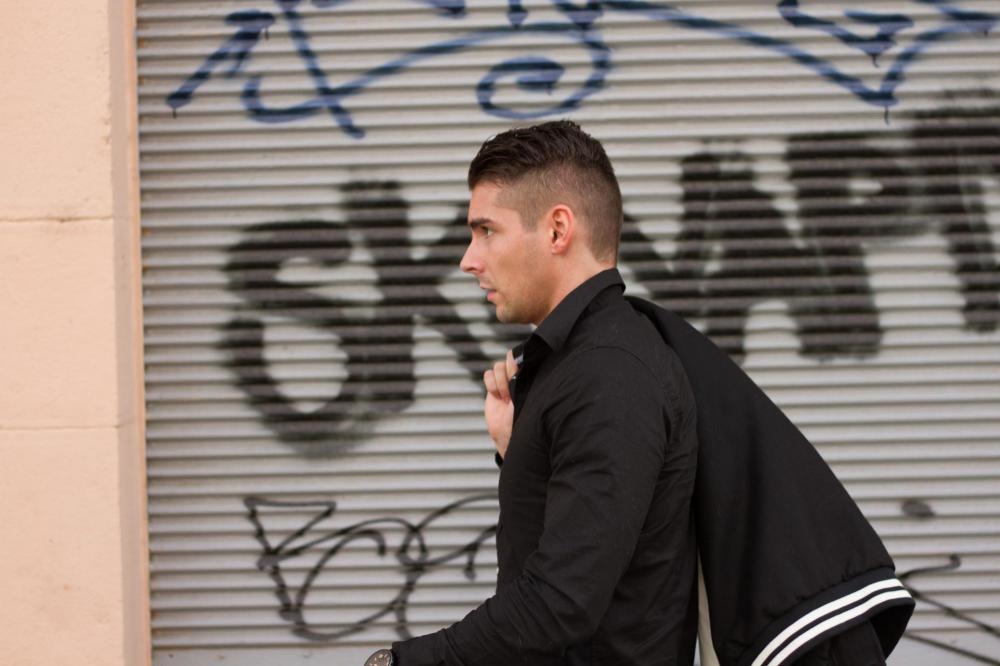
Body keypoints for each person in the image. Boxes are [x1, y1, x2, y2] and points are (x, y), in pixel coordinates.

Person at [363, 121, 913, 666]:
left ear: (557, 230)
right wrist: (518, 451)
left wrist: (402, 662)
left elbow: (559, 603)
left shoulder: (608, 374)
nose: (468, 259)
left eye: (486, 230)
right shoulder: (584, 361)